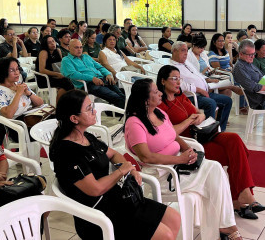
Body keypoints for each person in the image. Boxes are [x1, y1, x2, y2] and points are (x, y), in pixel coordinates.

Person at [49, 89, 180, 240]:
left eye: (92, 106)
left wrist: (129, 168)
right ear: (74, 118)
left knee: (174, 218)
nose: (94, 111)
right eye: (88, 109)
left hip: (118, 199)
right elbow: (95, 189)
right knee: (165, 235)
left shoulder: (87, 137)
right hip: (97, 215)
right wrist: (120, 172)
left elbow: (113, 154)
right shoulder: (67, 152)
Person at [124, 79, 243, 240]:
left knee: (216, 168)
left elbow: (174, 136)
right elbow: (146, 156)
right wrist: (180, 159)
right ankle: (226, 228)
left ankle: (225, 227)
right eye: (155, 91)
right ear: (145, 99)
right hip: (162, 175)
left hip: (179, 166)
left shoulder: (159, 113)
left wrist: (188, 150)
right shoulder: (134, 123)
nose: (160, 93)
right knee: (214, 176)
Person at [156, 65, 265, 219]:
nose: (178, 82)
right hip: (190, 143)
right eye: (174, 79)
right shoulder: (160, 104)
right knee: (237, 155)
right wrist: (189, 120)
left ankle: (241, 197)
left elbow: (198, 113)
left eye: (179, 78)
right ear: (162, 81)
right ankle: (242, 197)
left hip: (203, 133)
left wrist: (198, 117)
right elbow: (169, 132)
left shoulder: (181, 97)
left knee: (235, 140)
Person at [170, 41, 233, 131]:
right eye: (183, 51)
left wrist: (208, 80)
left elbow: (198, 74)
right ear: (175, 51)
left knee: (227, 100)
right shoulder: (172, 67)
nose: (186, 54)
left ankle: (220, 130)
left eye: (187, 51)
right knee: (210, 103)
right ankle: (207, 132)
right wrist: (199, 89)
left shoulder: (186, 62)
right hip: (191, 96)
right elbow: (181, 86)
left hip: (203, 93)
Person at [61, 39, 125, 109]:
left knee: (122, 95)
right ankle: (129, 113)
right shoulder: (66, 60)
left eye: (81, 47)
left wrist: (108, 74)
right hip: (88, 84)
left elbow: (100, 67)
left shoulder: (86, 57)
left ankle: (122, 111)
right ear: (69, 48)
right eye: (76, 47)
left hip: (102, 79)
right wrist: (92, 78)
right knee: (114, 96)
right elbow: (73, 74)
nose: (79, 49)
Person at [35, 36, 74, 103]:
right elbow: (41, 70)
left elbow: (61, 65)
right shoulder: (44, 52)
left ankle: (60, 104)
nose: (53, 43)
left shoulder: (58, 50)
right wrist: (57, 74)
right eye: (49, 42)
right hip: (45, 77)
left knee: (69, 81)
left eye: (53, 41)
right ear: (45, 44)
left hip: (56, 75)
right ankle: (60, 104)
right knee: (67, 83)